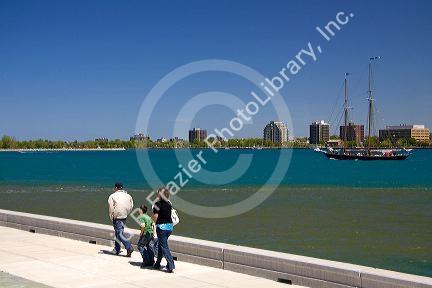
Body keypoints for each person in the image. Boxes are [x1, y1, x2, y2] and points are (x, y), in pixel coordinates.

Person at [108, 182, 134, 257]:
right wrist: (127, 213)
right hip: (124, 216)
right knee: (118, 233)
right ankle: (117, 249)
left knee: (119, 234)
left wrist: (111, 216)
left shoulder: (112, 196)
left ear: (116, 188)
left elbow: (111, 208)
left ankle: (129, 247)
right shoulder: (128, 196)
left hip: (117, 217)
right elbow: (131, 206)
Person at [152, 187, 175, 273]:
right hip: (170, 227)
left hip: (161, 227)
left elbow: (155, 216)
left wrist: (152, 223)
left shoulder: (157, 204)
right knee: (162, 245)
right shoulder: (169, 204)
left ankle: (171, 265)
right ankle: (157, 263)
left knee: (164, 246)